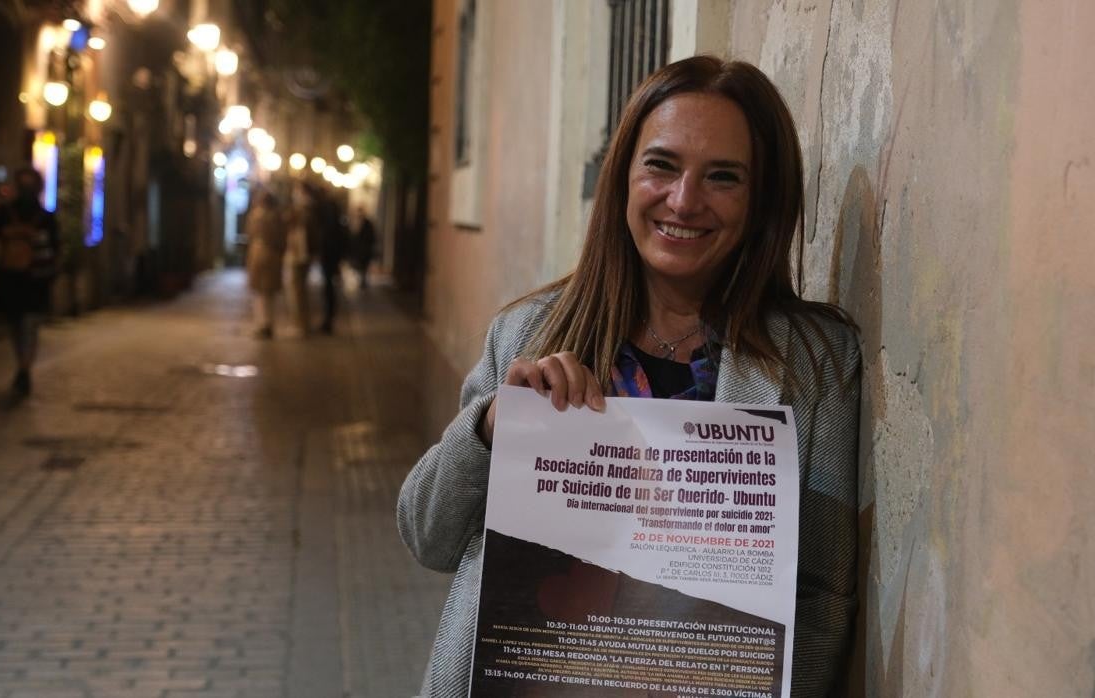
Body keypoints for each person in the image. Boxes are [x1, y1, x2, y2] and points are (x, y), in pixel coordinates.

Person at [397, 56, 861, 697]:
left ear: (761, 202)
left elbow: (820, 595)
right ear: (623, 178)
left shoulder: (817, 363)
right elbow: (427, 535)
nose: (684, 200)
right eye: (662, 165)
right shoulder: (526, 333)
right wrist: (491, 426)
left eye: (722, 177)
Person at [0, 167, 60, 396]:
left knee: (19, 324)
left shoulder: (6, 212)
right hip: (34, 279)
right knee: (27, 325)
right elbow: (55, 249)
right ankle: (24, 367)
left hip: (13, 277)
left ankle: (23, 367)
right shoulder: (45, 217)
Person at [244, 190, 287, 339]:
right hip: (272, 257)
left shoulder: (256, 216)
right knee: (268, 294)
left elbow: (250, 234)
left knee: (260, 294)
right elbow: (281, 239)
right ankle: (268, 323)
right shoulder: (277, 217)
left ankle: (263, 324)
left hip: (259, 256)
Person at [284, 182, 314, 336]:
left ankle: (301, 325)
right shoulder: (305, 210)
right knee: (298, 290)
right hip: (299, 254)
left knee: (298, 291)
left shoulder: (305, 210)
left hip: (300, 255)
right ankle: (301, 323)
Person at [316, 191, 347, 334]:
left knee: (329, 290)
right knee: (329, 290)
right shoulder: (337, 226)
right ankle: (328, 319)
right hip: (331, 261)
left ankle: (328, 320)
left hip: (330, 261)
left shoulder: (331, 229)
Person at [350, 204, 377, 291]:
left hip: (365, 249)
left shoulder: (367, 223)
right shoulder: (358, 222)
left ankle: (363, 281)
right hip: (361, 249)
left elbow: (371, 237)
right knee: (362, 266)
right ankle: (363, 281)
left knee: (364, 265)